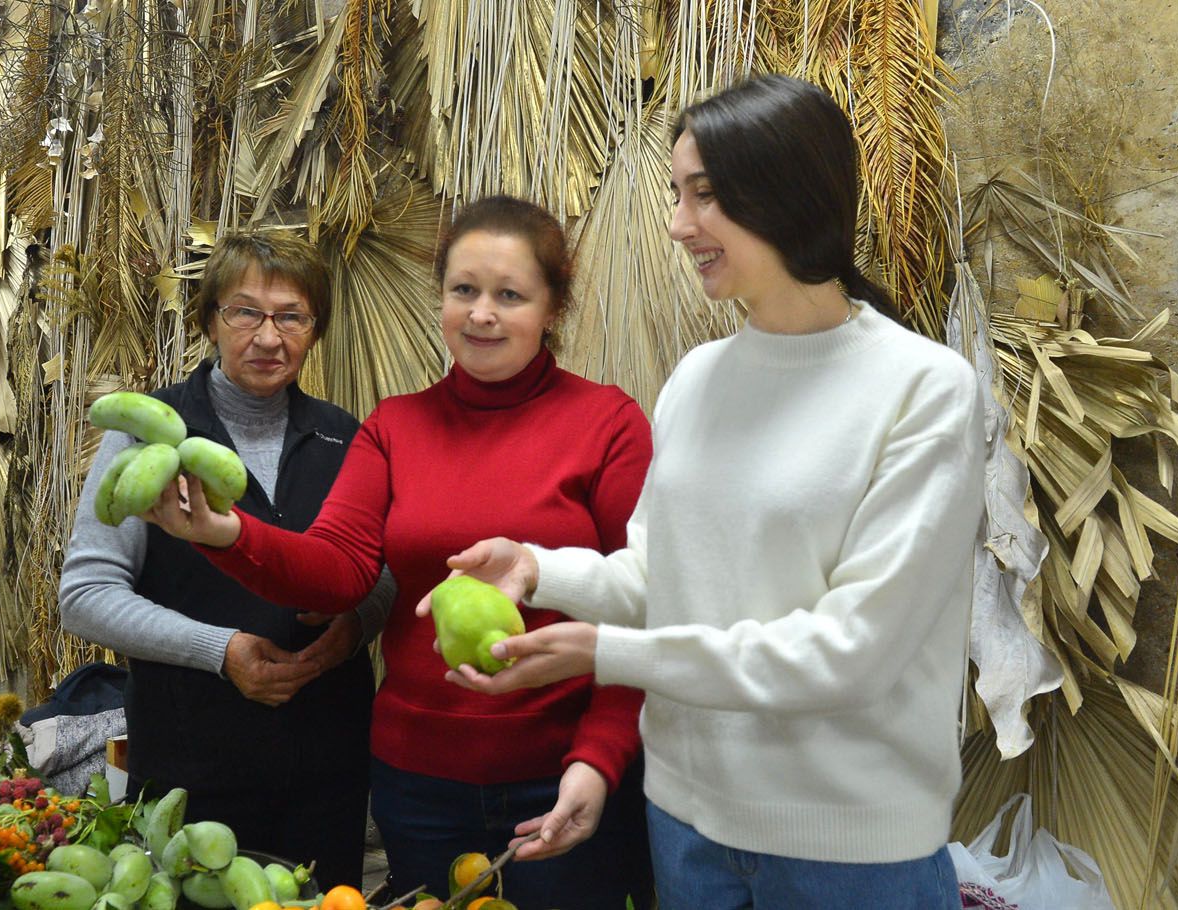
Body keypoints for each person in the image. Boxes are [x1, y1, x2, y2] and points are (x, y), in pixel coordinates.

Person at [419, 75, 986, 910]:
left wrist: (602, 653)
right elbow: (662, 578)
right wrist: (538, 571)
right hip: (684, 827)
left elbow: (851, 651)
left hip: (848, 850)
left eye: (705, 195)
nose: (678, 225)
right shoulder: (697, 378)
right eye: (677, 194)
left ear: (785, 193)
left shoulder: (923, 388)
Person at [145, 196, 656, 909]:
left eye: (509, 295)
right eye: (463, 291)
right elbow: (337, 573)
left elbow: (643, 610)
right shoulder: (396, 427)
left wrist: (598, 761)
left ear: (552, 307)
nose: (481, 314)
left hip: (563, 773)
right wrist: (227, 534)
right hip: (418, 785)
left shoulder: (607, 424)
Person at [59, 229, 395, 889]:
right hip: (193, 770)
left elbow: (380, 570)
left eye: (291, 317)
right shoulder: (149, 429)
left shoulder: (345, 436)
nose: (268, 338)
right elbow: (86, 593)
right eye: (245, 312)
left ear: (314, 329)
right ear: (210, 320)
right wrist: (219, 649)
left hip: (327, 763)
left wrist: (355, 628)